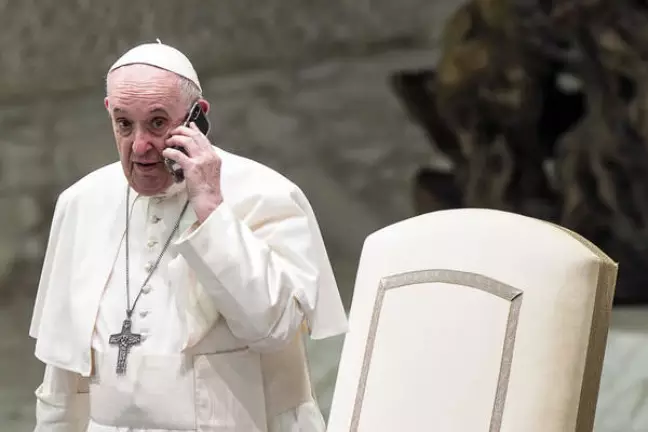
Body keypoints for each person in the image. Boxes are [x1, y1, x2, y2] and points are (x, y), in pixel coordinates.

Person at [29, 40, 348, 432]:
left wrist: (212, 211)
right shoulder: (81, 203)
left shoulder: (265, 193)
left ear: (198, 116)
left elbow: (273, 328)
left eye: (158, 123)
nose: (141, 145)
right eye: (124, 124)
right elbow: (61, 378)